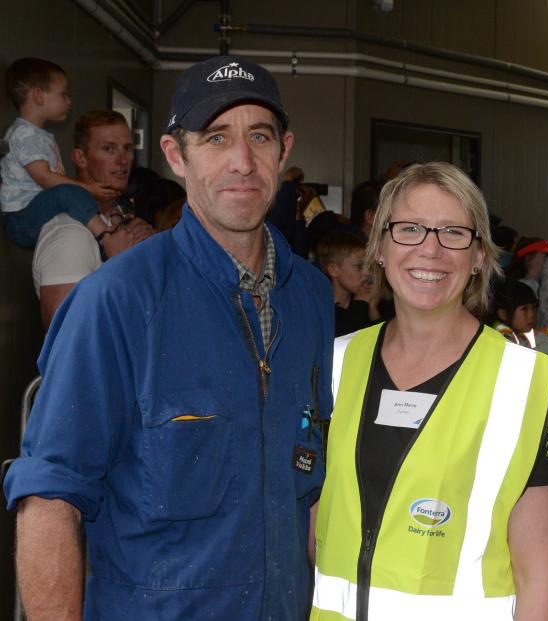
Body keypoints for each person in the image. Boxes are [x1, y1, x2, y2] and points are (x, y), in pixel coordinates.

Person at [4, 55, 334, 620]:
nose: (242, 161)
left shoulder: (311, 297)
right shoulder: (116, 301)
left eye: (260, 135)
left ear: (284, 150)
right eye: (215, 138)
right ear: (176, 155)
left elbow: (308, 480)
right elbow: (51, 499)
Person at [311, 162, 548, 620]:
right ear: (379, 247)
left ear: (478, 255)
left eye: (453, 232)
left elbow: (541, 582)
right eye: (410, 228)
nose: (429, 250)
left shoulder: (521, 383)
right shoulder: (332, 365)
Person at [33, 109, 154, 327]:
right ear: (80, 158)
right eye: (108, 149)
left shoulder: (119, 218)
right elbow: (65, 333)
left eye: (127, 149)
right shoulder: (69, 234)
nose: (122, 160)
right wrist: (120, 261)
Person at [1, 57, 119, 248]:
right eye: (63, 94)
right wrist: (88, 188)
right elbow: (44, 178)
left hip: (37, 211)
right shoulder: (24, 134)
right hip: (22, 218)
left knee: (72, 194)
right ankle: (107, 237)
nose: (69, 101)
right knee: (68, 193)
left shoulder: (38, 135)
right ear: (38, 96)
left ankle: (103, 230)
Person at [317, 229, 381, 336]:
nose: (367, 273)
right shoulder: (321, 309)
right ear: (334, 269)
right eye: (359, 266)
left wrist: (373, 312)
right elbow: (344, 336)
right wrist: (361, 300)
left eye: (368, 267)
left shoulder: (363, 307)